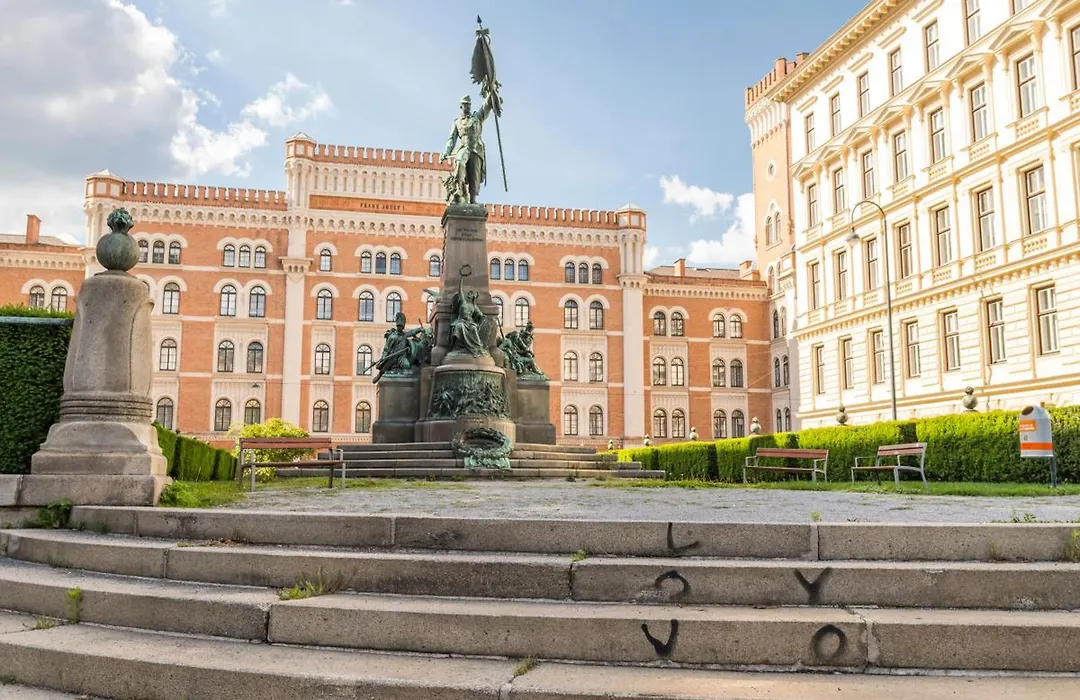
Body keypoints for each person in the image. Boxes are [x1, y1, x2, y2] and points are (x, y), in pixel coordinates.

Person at [439, 92, 500, 204]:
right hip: (464, 147)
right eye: (465, 105)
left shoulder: (477, 118)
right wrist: (446, 152)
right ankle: (459, 189)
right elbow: (451, 139)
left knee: (474, 175)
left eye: (469, 105)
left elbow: (486, 106)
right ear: (461, 106)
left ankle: (473, 199)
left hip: (476, 149)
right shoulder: (457, 122)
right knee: (459, 162)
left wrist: (491, 91)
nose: (467, 107)